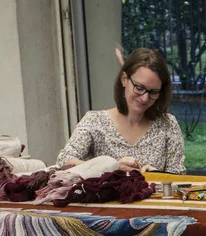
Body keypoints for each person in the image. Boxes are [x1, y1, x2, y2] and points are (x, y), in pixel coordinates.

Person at [56, 48, 185, 173]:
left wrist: (157, 176)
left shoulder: (167, 124)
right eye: (139, 88)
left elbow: (179, 178)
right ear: (124, 79)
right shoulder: (95, 121)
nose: (145, 98)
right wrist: (112, 168)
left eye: (153, 92)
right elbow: (64, 162)